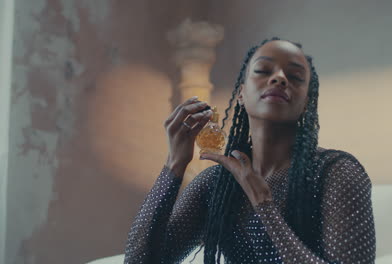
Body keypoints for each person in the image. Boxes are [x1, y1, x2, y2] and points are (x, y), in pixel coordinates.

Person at [124, 37, 376, 264]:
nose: (279, 78)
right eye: (263, 70)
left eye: (296, 77)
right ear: (242, 93)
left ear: (306, 103)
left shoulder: (336, 173)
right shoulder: (215, 184)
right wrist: (174, 165)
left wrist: (264, 207)